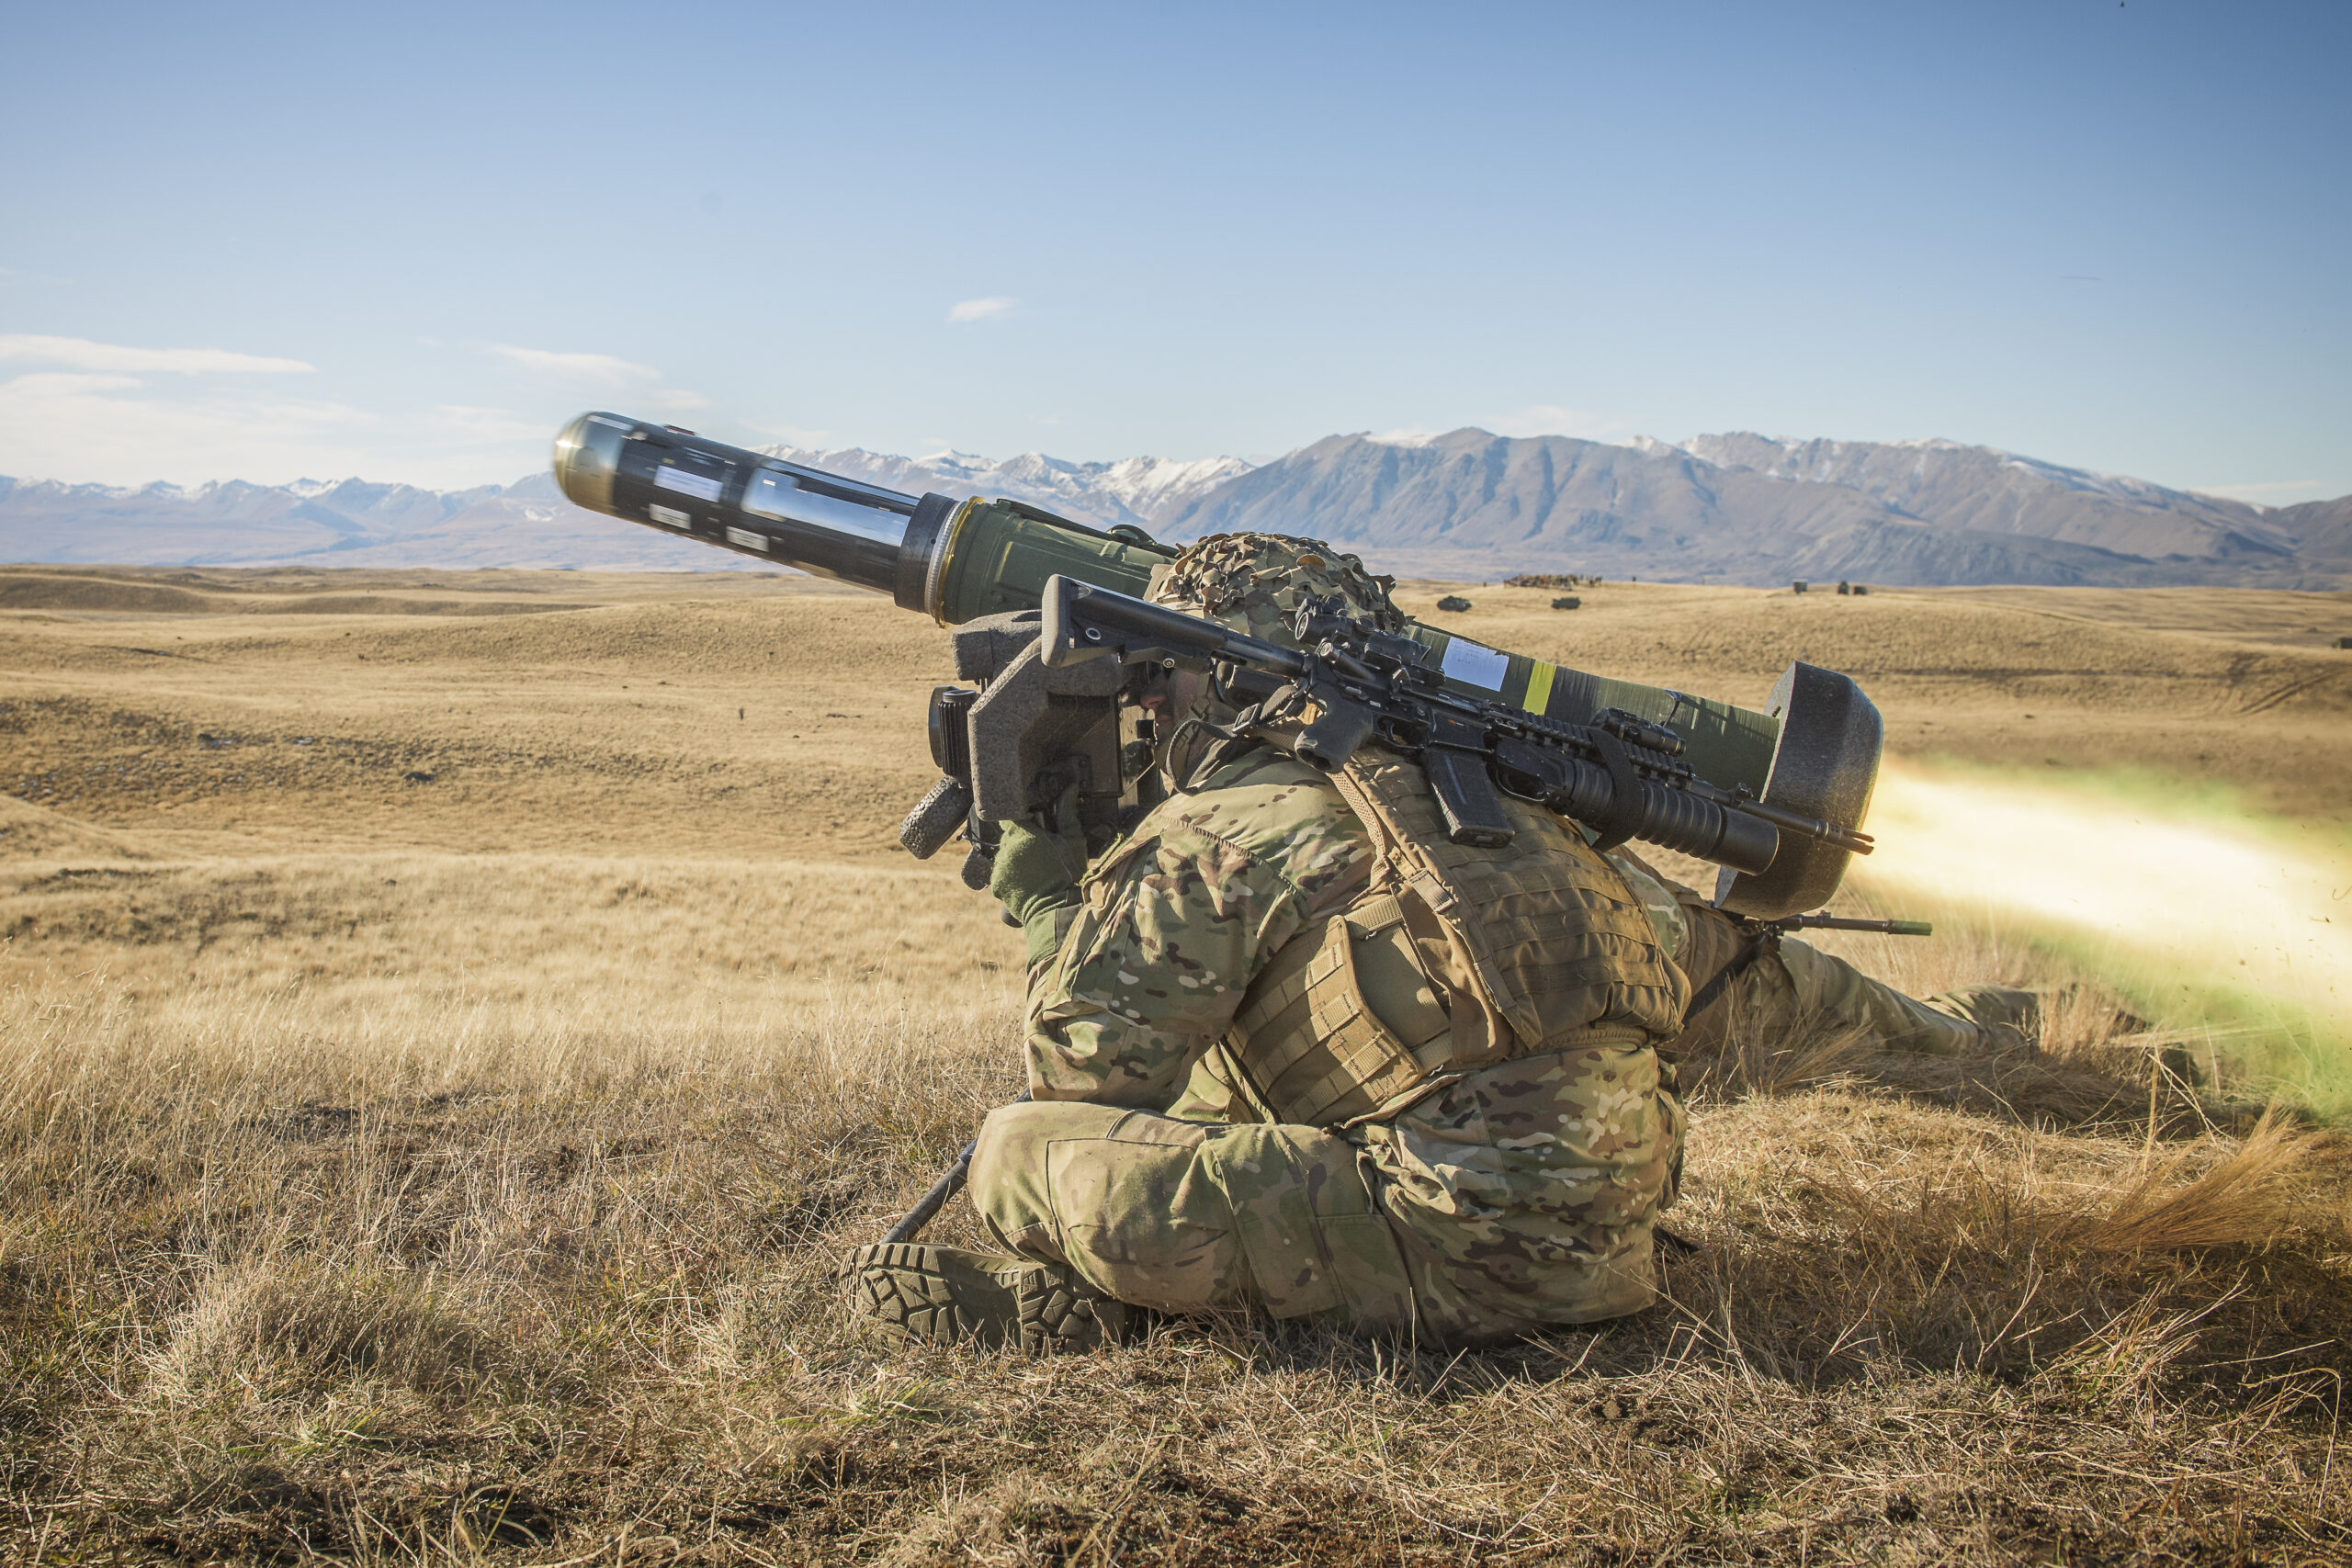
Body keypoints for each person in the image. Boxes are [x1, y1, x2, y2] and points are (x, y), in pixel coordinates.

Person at [846, 534, 2033, 1353]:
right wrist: (1962, 1029)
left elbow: (1082, 1077)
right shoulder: (1517, 814)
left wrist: (1045, 889)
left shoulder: (1226, 827)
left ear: (1192, 683)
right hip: (1613, 1258)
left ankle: (1099, 1312)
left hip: (1446, 1261)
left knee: (1018, 1149)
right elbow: (1753, 979)